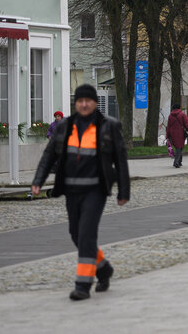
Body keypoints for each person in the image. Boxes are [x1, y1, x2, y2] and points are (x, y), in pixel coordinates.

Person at [31, 84, 130, 301]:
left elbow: (120, 161)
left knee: (86, 234)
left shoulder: (109, 126)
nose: (84, 104)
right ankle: (103, 268)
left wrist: (124, 191)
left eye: (88, 100)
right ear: (75, 104)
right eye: (80, 101)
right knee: (76, 235)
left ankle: (83, 285)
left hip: (96, 190)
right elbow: (49, 156)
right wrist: (38, 180)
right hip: (71, 190)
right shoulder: (65, 126)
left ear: (95, 103)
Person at [165, 102, 188, 168]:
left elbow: (168, 126)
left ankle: (179, 161)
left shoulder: (170, 116)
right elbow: (187, 125)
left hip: (172, 133)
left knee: (179, 147)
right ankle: (176, 162)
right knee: (179, 147)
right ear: (179, 108)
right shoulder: (182, 115)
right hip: (180, 133)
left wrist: (167, 135)